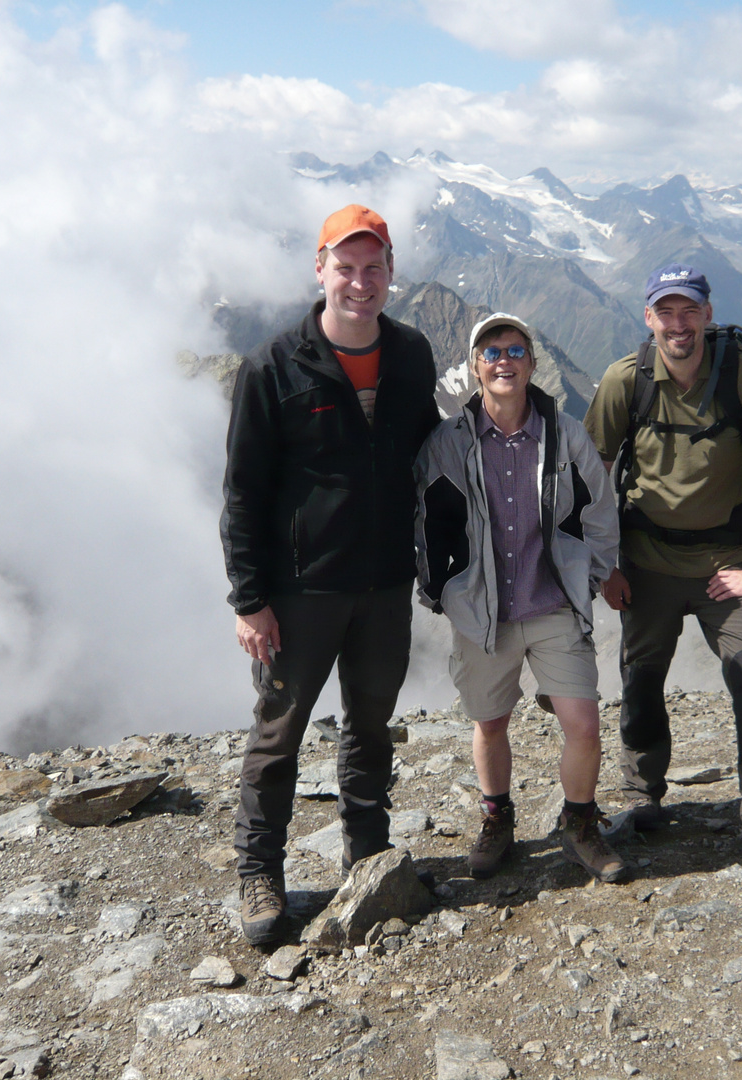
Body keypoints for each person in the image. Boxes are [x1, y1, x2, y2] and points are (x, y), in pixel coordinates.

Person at [221, 205, 440, 944]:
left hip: (383, 585)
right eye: (345, 266)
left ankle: (367, 854)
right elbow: (243, 493)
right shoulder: (272, 367)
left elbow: (427, 459)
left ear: (390, 275)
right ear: (320, 270)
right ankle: (259, 873)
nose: (359, 281)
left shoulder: (411, 354)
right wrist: (250, 600)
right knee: (278, 734)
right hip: (298, 590)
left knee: (371, 725)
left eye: (373, 267)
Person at [583, 264, 742, 888]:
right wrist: (605, 566)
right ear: (649, 318)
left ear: (708, 316)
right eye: (666, 312)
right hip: (645, 562)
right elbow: (591, 475)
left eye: (690, 311)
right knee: (641, 674)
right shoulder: (624, 381)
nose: (678, 324)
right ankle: (640, 793)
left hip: (726, 564)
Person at [415, 313, 627, 883]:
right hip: (484, 611)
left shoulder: (565, 434)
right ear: (476, 368)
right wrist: (441, 590)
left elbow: (600, 511)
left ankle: (579, 822)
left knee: (583, 724)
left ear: (532, 364)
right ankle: (497, 818)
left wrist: (589, 578)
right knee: (490, 723)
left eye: (514, 350)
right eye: (490, 352)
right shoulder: (449, 442)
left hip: (554, 604)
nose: (503, 360)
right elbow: (427, 518)